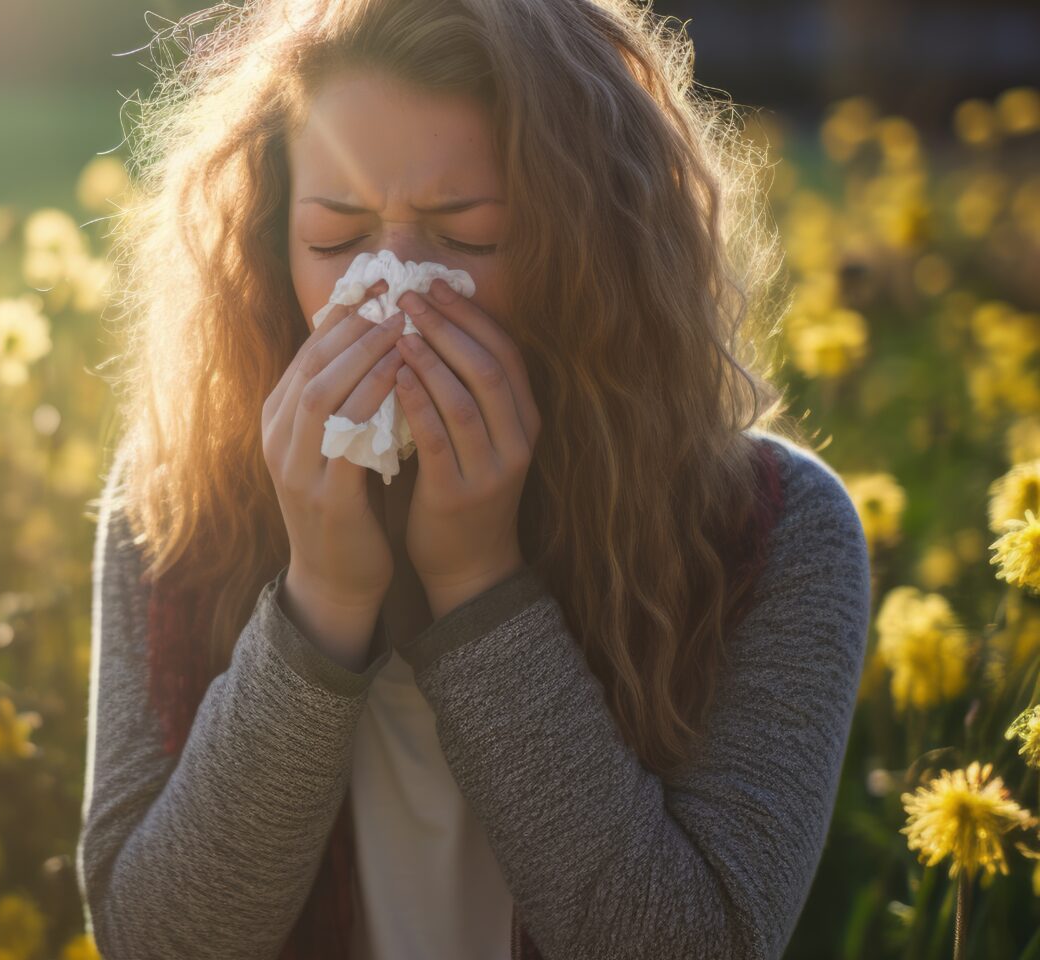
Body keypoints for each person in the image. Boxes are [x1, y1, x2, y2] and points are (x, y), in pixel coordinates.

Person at [75, 0, 873, 958]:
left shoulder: (772, 533)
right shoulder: (173, 501)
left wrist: (479, 587)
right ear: (269, 246)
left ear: (595, 252)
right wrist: (319, 602)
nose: (395, 292)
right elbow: (151, 939)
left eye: (470, 236)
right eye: (336, 241)